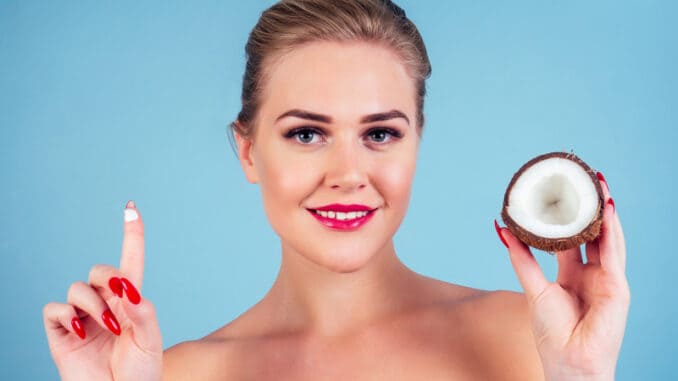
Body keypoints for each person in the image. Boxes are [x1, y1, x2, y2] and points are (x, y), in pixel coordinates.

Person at [42, 0, 630, 379]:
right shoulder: (170, 374)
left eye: (379, 133)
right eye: (306, 133)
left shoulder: (529, 336)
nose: (348, 173)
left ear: (417, 143)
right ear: (248, 151)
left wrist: (581, 378)